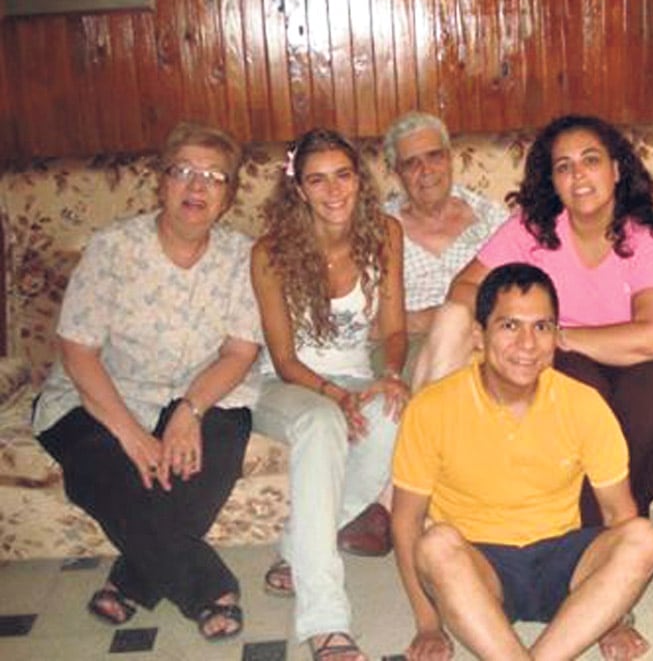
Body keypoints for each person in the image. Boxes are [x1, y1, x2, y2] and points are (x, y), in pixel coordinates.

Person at [32, 122, 261, 640]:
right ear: (160, 182)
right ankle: (208, 589)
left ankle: (132, 580)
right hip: (101, 394)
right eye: (183, 172)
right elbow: (78, 351)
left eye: (213, 177)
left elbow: (240, 351)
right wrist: (130, 433)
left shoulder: (242, 257)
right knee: (102, 470)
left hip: (199, 392)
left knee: (207, 461)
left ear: (229, 196)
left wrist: (190, 412)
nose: (196, 187)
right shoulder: (112, 248)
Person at [413, 114, 653, 521]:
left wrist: (559, 334)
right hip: (566, 358)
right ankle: (585, 528)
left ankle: (625, 517)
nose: (578, 175)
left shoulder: (646, 235)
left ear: (616, 170)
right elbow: (464, 289)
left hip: (627, 354)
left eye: (590, 160)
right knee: (579, 390)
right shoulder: (533, 229)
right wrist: (517, 329)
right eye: (564, 166)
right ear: (553, 181)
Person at [392, 263, 653, 660]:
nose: (527, 344)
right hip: (480, 572)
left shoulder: (583, 403)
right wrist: (429, 624)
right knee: (435, 545)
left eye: (542, 327)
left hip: (562, 562)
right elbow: (405, 523)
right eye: (509, 326)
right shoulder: (432, 408)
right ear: (478, 336)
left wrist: (615, 619)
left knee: (646, 538)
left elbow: (618, 513)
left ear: (556, 335)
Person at [251, 128, 409, 660]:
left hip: (352, 377)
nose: (334, 191)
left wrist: (390, 375)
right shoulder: (270, 253)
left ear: (359, 180)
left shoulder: (385, 233)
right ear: (298, 189)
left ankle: (296, 550)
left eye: (343, 175)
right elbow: (283, 359)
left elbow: (393, 329)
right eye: (316, 180)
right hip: (285, 387)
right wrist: (335, 398)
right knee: (321, 424)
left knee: (394, 411)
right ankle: (326, 622)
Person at [383, 111, 507, 335]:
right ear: (396, 173)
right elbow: (368, 320)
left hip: (486, 337)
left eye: (434, 156)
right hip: (409, 342)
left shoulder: (492, 218)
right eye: (412, 163)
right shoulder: (378, 231)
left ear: (450, 160)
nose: (426, 171)